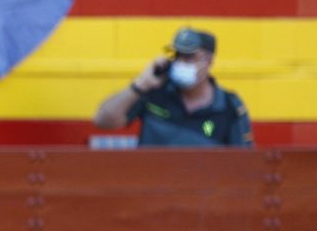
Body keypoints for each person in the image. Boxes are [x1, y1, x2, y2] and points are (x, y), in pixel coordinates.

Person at [93, 27, 251, 147]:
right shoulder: (154, 93)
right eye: (177, 55)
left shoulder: (229, 106)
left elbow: (243, 162)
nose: (181, 62)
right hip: (154, 186)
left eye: (189, 56)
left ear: (209, 61)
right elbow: (103, 120)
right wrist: (140, 84)